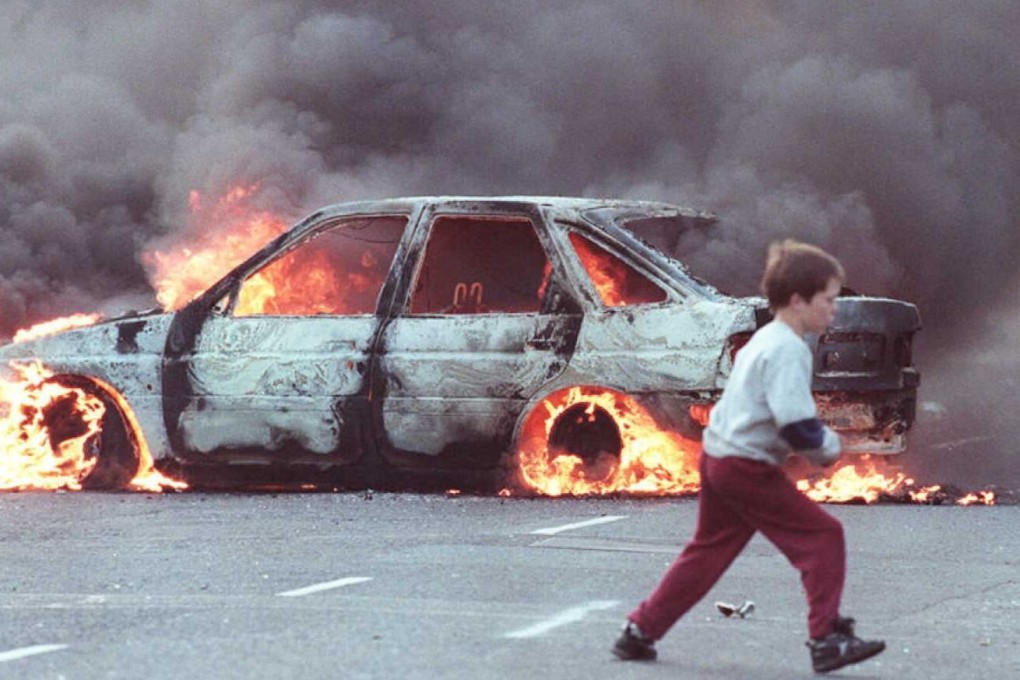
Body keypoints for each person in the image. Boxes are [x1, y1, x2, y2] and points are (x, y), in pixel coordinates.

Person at [612, 240, 886, 674]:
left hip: (720, 457)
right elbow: (795, 423)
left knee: (707, 552)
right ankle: (826, 640)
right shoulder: (788, 348)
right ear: (798, 300)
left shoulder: (766, 338)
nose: (834, 310)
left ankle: (639, 632)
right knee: (822, 538)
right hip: (745, 466)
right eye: (828, 301)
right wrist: (829, 448)